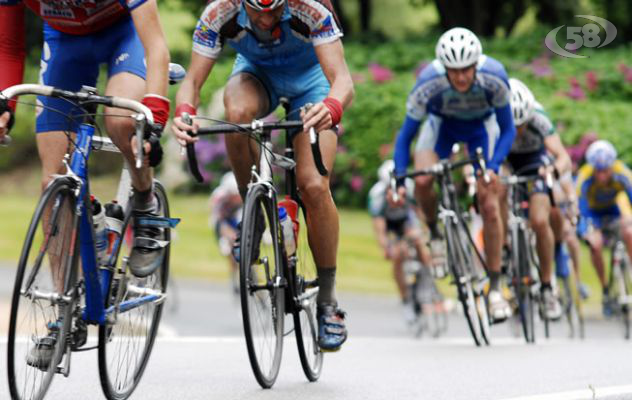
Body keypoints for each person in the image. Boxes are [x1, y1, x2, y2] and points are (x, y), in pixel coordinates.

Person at [171, 0, 354, 351]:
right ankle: (253, 216)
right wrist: (184, 113)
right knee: (236, 114)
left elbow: (342, 80)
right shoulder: (219, 12)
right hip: (256, 77)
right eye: (258, 12)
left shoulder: (310, 9)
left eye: (275, 10)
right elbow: (192, 81)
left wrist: (331, 106)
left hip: (312, 85)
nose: (267, 19)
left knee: (314, 185)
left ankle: (328, 302)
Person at [0, 0, 171, 369]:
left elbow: (155, 45)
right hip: (65, 43)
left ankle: (144, 204)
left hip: (124, 36)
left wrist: (154, 116)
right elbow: (8, 47)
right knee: (54, 180)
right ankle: (64, 308)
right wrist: (5, 106)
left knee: (121, 121)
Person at [392, 27, 516, 322]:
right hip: (442, 128)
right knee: (422, 179)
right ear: (443, 68)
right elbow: (405, 136)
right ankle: (435, 233)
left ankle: (495, 287)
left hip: (479, 130)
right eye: (454, 71)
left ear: (477, 64)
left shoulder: (495, 77)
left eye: (466, 70)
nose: (460, 77)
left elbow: (507, 128)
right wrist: (399, 178)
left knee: (489, 200)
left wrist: (494, 167)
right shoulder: (428, 82)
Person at [504, 78, 573, 320]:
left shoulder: (538, 117)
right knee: (495, 190)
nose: (519, 131)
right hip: (507, 162)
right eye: (514, 126)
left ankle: (546, 287)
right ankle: (503, 249)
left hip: (535, 164)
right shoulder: (494, 119)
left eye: (522, 124)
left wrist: (553, 170)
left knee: (540, 221)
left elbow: (563, 157)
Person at [368, 160, 434, 325]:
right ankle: (405, 299)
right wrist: (386, 247)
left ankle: (427, 279)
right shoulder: (377, 195)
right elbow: (379, 227)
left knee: (419, 242)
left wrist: (427, 231)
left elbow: (419, 213)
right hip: (391, 226)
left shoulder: (409, 187)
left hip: (407, 221)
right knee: (398, 255)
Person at [576, 140, 632, 316]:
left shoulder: (621, 172)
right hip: (593, 215)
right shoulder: (584, 177)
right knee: (596, 245)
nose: (601, 176)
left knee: (629, 230)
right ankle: (606, 288)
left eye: (605, 170)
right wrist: (587, 232)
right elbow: (580, 209)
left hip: (614, 212)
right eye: (598, 171)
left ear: (612, 165)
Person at [209, 172, 243, 295]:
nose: (236, 198)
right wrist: (228, 236)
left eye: (237, 195)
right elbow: (219, 222)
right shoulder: (219, 198)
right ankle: (234, 279)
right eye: (233, 195)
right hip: (222, 221)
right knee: (229, 251)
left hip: (235, 218)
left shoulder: (242, 197)